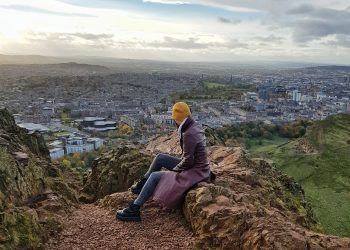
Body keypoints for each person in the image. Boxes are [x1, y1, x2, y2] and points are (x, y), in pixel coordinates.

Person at [116, 102, 211, 221]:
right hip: (198, 167)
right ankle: (142, 185)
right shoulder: (193, 126)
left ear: (177, 119)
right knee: (160, 158)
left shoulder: (189, 134)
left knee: (155, 176)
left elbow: (188, 161)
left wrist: (175, 172)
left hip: (195, 172)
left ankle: (134, 209)